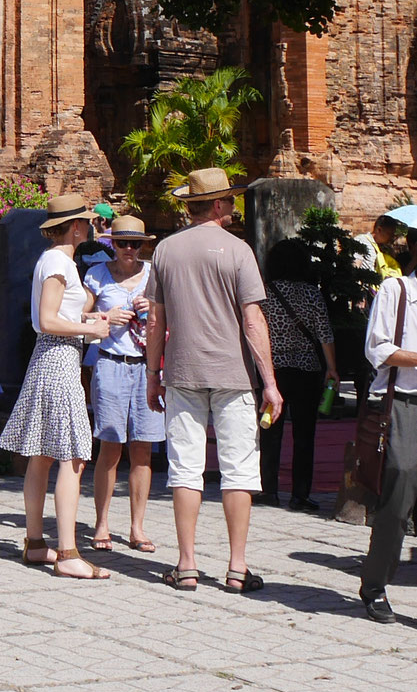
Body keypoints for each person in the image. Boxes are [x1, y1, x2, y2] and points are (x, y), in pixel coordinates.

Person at [145, 168, 281, 595]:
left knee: (186, 469)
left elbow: (154, 319)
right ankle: (237, 567)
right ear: (218, 205)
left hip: (182, 372)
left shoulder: (165, 250)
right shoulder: (238, 251)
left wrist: (153, 373)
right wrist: (271, 382)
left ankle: (186, 565)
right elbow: (254, 321)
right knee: (239, 470)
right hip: (234, 375)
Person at [0, 192, 112, 578]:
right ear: (76, 225)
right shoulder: (57, 262)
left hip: (53, 357)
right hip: (58, 358)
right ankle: (67, 553)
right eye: (87, 220)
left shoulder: (59, 260)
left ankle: (35, 543)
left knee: (42, 454)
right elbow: (47, 319)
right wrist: (90, 328)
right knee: (73, 455)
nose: (91, 225)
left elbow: (61, 313)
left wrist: (100, 316)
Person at [85, 213, 165, 552]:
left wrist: (155, 308)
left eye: (135, 244)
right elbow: (78, 317)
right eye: (122, 243)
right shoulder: (97, 275)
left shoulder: (153, 275)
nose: (129, 249)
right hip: (111, 364)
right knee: (110, 447)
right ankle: (102, 524)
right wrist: (107, 317)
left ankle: (137, 526)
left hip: (148, 368)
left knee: (143, 450)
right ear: (111, 244)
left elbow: (171, 315)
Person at [357, 209, 417, 622]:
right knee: (397, 500)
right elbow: (377, 350)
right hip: (403, 404)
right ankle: (375, 584)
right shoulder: (396, 291)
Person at [257, 237, 337, 513]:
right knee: (305, 434)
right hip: (307, 370)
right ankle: (300, 494)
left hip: (273, 371)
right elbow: (325, 333)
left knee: (269, 431)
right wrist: (332, 368)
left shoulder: (265, 292)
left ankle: (268, 490)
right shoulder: (312, 293)